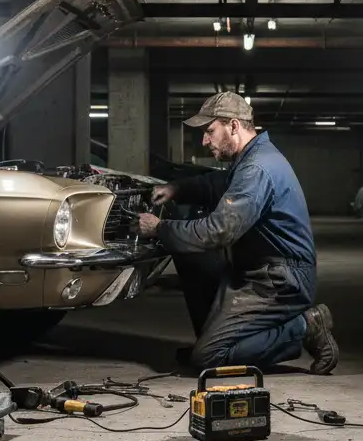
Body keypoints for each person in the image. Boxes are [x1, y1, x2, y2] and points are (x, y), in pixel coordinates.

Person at [136, 91, 338, 374]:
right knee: (191, 257)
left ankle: (305, 326)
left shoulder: (256, 168)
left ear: (233, 126)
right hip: (258, 270)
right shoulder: (251, 157)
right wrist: (177, 189)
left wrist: (159, 228)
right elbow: (217, 182)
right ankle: (214, 341)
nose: (205, 141)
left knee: (209, 359)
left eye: (209, 131)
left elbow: (219, 231)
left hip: (280, 280)